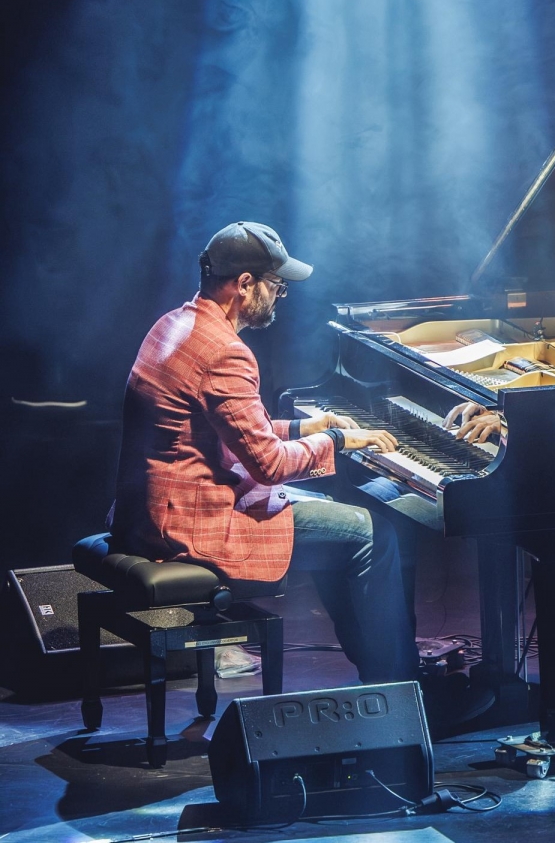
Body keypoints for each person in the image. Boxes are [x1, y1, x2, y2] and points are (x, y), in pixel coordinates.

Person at [109, 221, 420, 684]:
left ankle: (381, 678)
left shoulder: (174, 325)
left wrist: (303, 426)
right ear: (245, 284)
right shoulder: (226, 352)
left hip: (145, 516)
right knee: (372, 533)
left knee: (340, 524)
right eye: (276, 286)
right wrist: (335, 440)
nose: (280, 296)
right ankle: (399, 688)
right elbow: (269, 464)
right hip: (191, 529)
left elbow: (221, 431)